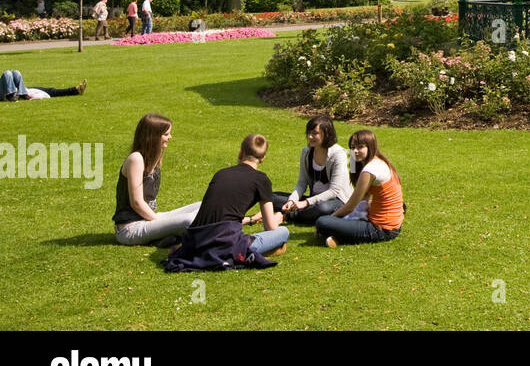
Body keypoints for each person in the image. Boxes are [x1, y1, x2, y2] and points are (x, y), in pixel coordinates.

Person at [164, 134, 288, 271]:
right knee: (283, 232)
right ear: (263, 158)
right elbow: (270, 227)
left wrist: (251, 219)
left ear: (241, 152)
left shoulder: (221, 173)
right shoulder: (261, 179)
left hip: (196, 240)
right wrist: (277, 218)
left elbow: (220, 215)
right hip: (225, 244)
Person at [113, 113, 201, 247]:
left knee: (202, 206)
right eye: (166, 134)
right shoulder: (135, 159)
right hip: (130, 229)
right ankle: (169, 236)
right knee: (188, 220)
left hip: (148, 219)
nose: (170, 137)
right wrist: (158, 222)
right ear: (153, 137)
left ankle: (164, 237)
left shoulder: (152, 158)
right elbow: (136, 203)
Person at [316, 129, 404, 247]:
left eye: (360, 147)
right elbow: (363, 198)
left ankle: (341, 236)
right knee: (334, 215)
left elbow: (351, 206)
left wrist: (331, 219)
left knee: (322, 222)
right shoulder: (378, 160)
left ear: (371, 147)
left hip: (382, 228)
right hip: (392, 222)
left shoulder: (370, 170)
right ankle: (340, 236)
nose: (355, 151)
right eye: (352, 147)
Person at [271, 116, 353, 226]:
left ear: (327, 134)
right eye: (308, 133)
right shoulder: (306, 152)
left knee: (322, 208)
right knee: (271, 197)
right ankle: (302, 213)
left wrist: (305, 203)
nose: (310, 137)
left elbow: (334, 191)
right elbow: (302, 183)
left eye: (315, 133)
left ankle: (286, 215)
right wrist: (291, 201)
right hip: (313, 200)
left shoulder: (338, 154)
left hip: (336, 200)